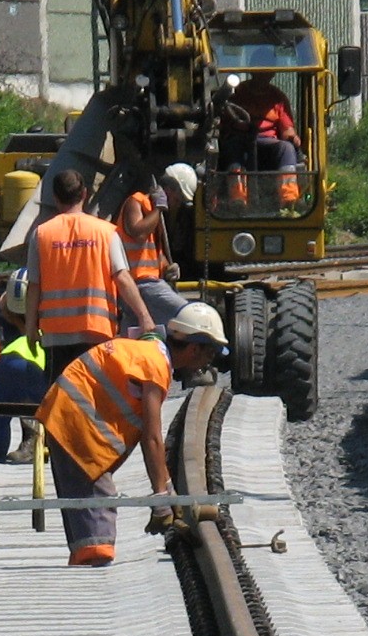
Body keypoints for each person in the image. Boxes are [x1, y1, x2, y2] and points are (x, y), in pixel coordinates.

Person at [36, 303, 228, 567]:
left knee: (88, 524)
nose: (209, 363)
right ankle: (89, 579)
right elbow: (152, 438)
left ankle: (84, 570)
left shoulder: (150, 353)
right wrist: (161, 500)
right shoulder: (155, 366)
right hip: (76, 425)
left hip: (68, 419)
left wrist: (169, 492)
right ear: (194, 348)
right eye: (211, 354)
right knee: (97, 534)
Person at [25, 167, 154, 380]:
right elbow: (122, 278)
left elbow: (34, 286)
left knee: (62, 402)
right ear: (84, 194)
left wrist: (30, 328)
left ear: (55, 197)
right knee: (95, 398)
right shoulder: (106, 232)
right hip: (96, 331)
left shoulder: (41, 235)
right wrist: (144, 317)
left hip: (56, 336)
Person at [117, 163, 197, 332]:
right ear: (168, 189)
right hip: (141, 282)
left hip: (144, 284)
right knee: (189, 315)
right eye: (177, 199)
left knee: (139, 336)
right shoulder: (137, 202)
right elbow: (138, 234)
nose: (177, 205)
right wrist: (159, 209)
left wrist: (168, 267)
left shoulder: (155, 215)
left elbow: (153, 253)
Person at [0, 272, 48, 462]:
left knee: (0, 412)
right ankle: (45, 447)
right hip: (41, 361)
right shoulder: (43, 286)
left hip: (9, 360)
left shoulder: (9, 295)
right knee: (51, 410)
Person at [223, 71, 302, 203]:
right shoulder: (237, 93)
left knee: (287, 148)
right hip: (240, 138)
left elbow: (287, 128)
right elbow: (224, 121)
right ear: (252, 72)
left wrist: (292, 137)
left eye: (267, 73)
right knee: (232, 147)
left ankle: (289, 198)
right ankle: (238, 197)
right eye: (260, 73)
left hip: (268, 140)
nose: (263, 76)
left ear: (272, 75)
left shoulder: (277, 97)